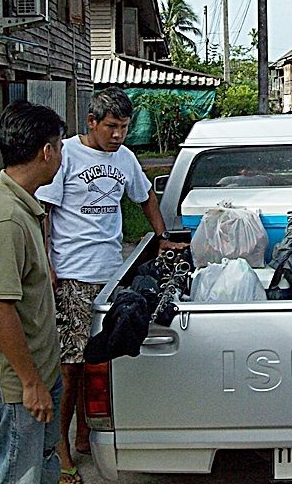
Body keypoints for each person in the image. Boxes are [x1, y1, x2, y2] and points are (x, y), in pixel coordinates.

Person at [36, 86, 186, 482]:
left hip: (111, 274)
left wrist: (161, 236)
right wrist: (47, 262)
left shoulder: (125, 158)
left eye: (124, 127)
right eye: (112, 127)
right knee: (70, 368)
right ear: (92, 122)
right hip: (73, 274)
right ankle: (61, 450)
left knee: (98, 360)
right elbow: (44, 212)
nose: (118, 135)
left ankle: (86, 435)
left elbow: (145, 199)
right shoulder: (66, 154)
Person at [0, 100, 65, 484]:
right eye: (58, 146)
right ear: (46, 152)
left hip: (38, 370)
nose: (60, 154)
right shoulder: (6, 219)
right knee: (14, 473)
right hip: (13, 384)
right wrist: (30, 382)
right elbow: (0, 307)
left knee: (38, 465)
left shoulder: (22, 205)